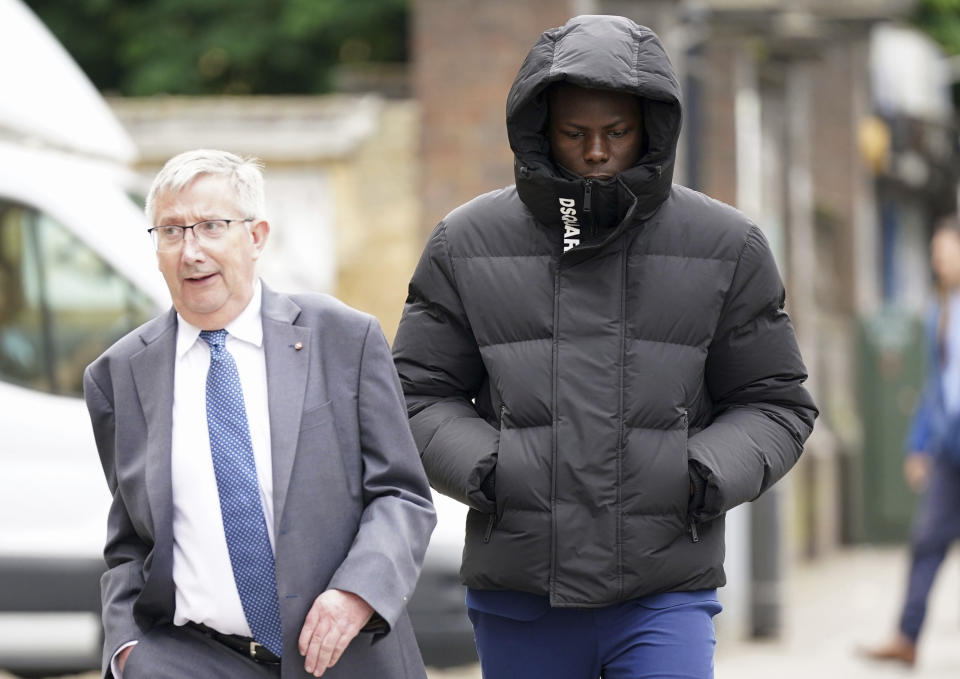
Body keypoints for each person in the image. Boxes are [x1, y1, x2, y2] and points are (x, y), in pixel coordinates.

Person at [393, 14, 817, 679]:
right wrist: (494, 469)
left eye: (616, 132)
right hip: (521, 592)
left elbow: (776, 402)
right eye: (574, 133)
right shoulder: (466, 242)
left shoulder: (726, 246)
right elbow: (417, 393)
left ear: (650, 127)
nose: (596, 152)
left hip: (663, 589)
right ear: (540, 128)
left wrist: (698, 474)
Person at [84, 149, 436, 679]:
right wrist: (129, 652)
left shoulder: (343, 338)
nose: (191, 251)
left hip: (345, 657)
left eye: (210, 226)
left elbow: (402, 494)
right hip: (191, 660)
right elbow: (130, 541)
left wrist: (357, 591)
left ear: (255, 236)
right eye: (171, 231)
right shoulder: (118, 376)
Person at [864, 218, 960, 667]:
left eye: (945, 251)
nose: (938, 261)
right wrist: (918, 444)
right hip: (950, 450)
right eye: (935, 254)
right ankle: (907, 636)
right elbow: (934, 385)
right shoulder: (938, 312)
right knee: (926, 540)